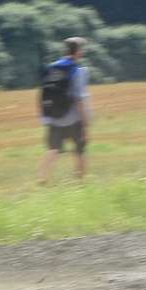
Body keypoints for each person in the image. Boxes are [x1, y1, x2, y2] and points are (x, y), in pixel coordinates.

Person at [39, 37, 93, 184]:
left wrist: (46, 119)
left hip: (54, 118)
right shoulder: (79, 70)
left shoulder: (50, 68)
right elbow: (79, 98)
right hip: (73, 118)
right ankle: (82, 182)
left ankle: (42, 179)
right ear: (79, 51)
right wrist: (86, 123)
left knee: (54, 149)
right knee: (80, 149)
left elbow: (44, 93)